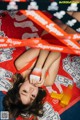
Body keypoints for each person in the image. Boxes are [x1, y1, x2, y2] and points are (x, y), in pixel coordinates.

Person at [2, 48, 61, 119]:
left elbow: (43, 46)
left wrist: (38, 68)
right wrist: (44, 70)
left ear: (20, 85)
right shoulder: (48, 81)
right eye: (33, 96)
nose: (31, 90)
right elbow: (57, 53)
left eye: (25, 91)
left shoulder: (20, 64)